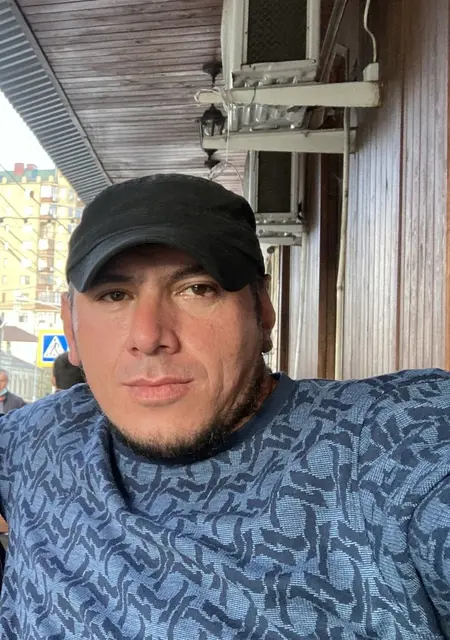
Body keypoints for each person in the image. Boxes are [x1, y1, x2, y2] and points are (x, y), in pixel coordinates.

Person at [0, 174, 449, 639]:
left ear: (263, 308)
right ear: (70, 327)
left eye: (197, 288)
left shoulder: (396, 441)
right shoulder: (36, 443)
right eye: (115, 295)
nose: (149, 337)